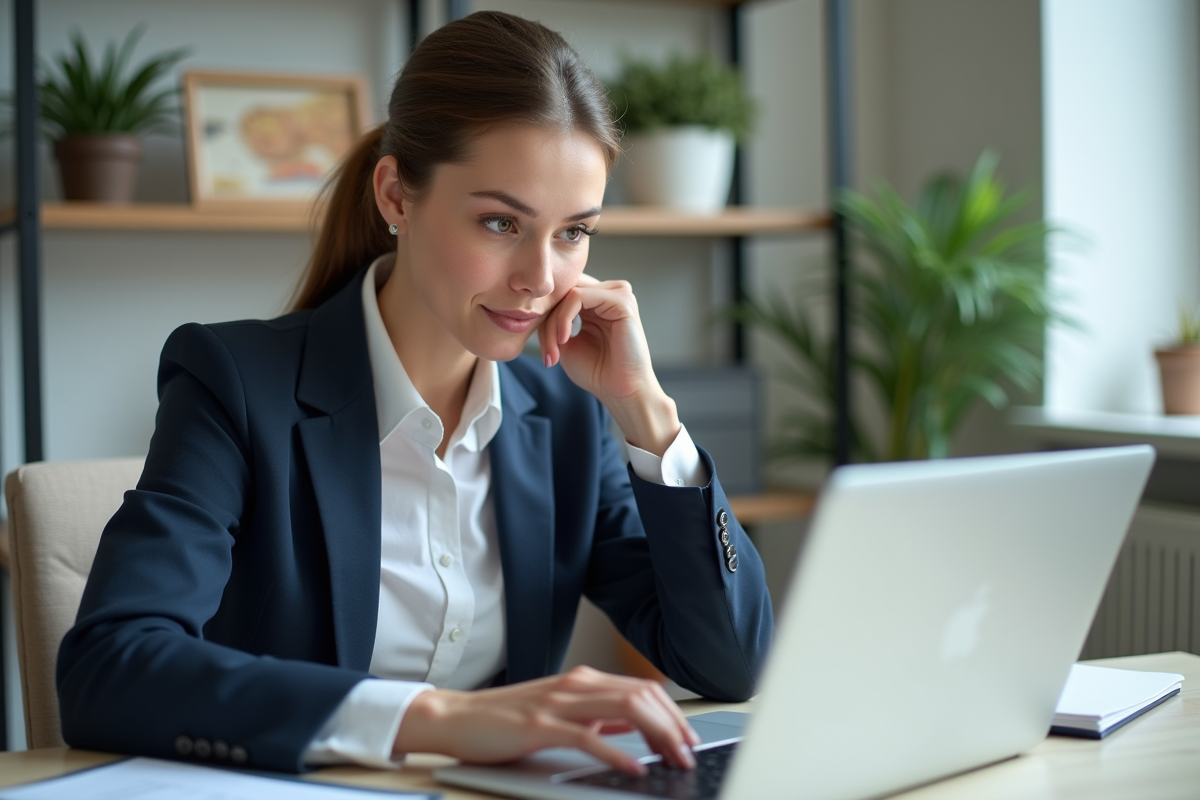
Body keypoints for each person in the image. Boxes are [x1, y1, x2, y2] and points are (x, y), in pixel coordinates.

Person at [57, 10, 773, 777]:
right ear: (397, 195)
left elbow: (732, 664)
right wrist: (438, 720)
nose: (540, 278)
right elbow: (110, 667)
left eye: (573, 232)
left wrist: (646, 412)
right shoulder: (234, 382)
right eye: (501, 222)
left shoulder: (566, 414)